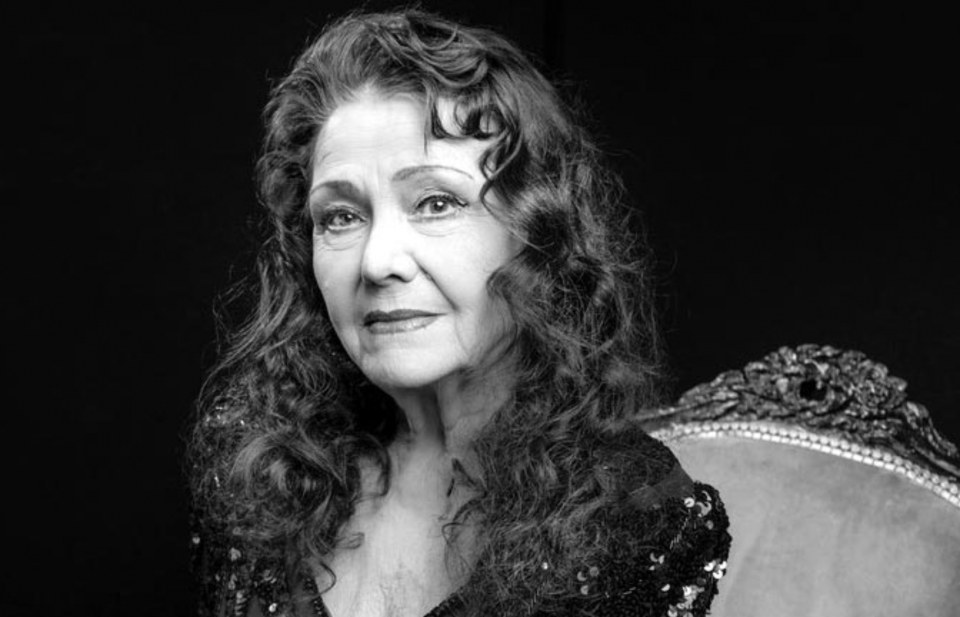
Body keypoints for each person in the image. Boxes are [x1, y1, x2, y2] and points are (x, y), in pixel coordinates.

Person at [190, 9, 730, 617]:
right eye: (340, 217)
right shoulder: (263, 465)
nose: (378, 261)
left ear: (537, 237)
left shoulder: (632, 519)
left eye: (436, 203)